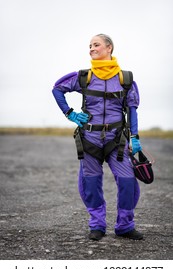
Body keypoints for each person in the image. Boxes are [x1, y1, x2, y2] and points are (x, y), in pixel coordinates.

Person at [52, 34, 143, 241]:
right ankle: (97, 225)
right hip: (89, 139)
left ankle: (125, 226)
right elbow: (57, 89)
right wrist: (70, 113)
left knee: (128, 181)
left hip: (116, 140)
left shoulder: (125, 79)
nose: (91, 48)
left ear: (109, 48)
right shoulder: (84, 76)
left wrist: (135, 137)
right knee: (90, 184)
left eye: (96, 45)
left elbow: (132, 109)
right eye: (90, 46)